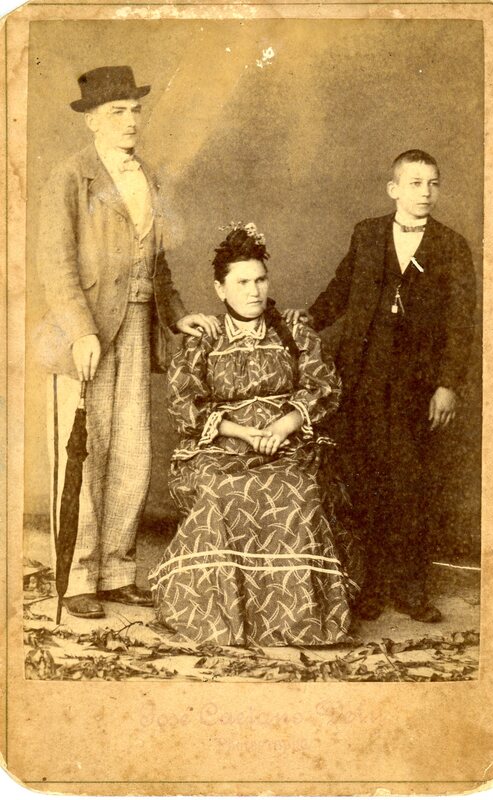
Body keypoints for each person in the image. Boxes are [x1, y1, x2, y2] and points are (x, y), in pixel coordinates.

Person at [36, 66, 220, 619]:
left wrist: (179, 318)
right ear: (92, 121)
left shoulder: (150, 177)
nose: (131, 121)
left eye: (135, 110)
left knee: (133, 448)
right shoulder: (71, 177)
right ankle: (77, 577)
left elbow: (158, 265)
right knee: (85, 451)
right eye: (117, 112)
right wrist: (81, 330)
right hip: (86, 333)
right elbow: (56, 265)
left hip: (138, 325)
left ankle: (116, 571)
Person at [285, 150, 476, 623]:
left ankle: (410, 588)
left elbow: (461, 324)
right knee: (367, 480)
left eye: (433, 183)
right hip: (365, 379)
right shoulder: (367, 234)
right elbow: (339, 291)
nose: (425, 193)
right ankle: (370, 586)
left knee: (411, 483)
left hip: (418, 386)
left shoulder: (452, 246)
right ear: (394, 189)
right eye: (415, 183)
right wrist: (301, 324)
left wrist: (447, 385)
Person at [149, 223, 361, 646]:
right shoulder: (204, 338)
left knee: (295, 488)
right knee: (220, 490)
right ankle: (225, 618)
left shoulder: (293, 330)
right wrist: (243, 431)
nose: (254, 291)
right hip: (221, 444)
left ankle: (297, 620)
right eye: (242, 282)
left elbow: (322, 386)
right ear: (220, 289)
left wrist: (283, 426)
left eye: (260, 280)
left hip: (288, 442)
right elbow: (185, 403)